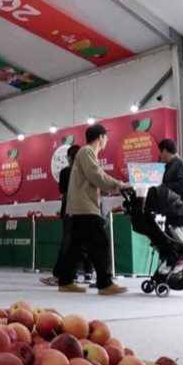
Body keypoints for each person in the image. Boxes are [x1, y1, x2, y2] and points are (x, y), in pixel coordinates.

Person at [58, 124, 129, 295]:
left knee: (75, 247)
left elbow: (92, 180)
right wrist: (120, 185)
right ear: (100, 136)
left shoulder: (85, 153)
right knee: (100, 243)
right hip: (85, 207)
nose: (107, 140)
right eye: (106, 137)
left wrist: (110, 188)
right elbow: (96, 175)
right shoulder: (87, 151)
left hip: (79, 207)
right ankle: (104, 283)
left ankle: (66, 281)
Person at [42, 145, 92, 286]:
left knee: (69, 242)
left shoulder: (66, 172)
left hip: (70, 209)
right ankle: (88, 272)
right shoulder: (88, 171)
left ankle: (65, 273)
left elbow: (62, 189)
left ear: (69, 157)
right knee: (84, 242)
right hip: (86, 209)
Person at [157, 139, 183, 240]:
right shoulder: (171, 166)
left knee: (181, 246)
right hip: (174, 212)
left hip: (181, 212)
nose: (159, 155)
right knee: (172, 246)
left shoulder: (181, 164)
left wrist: (165, 188)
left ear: (164, 151)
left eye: (159, 152)